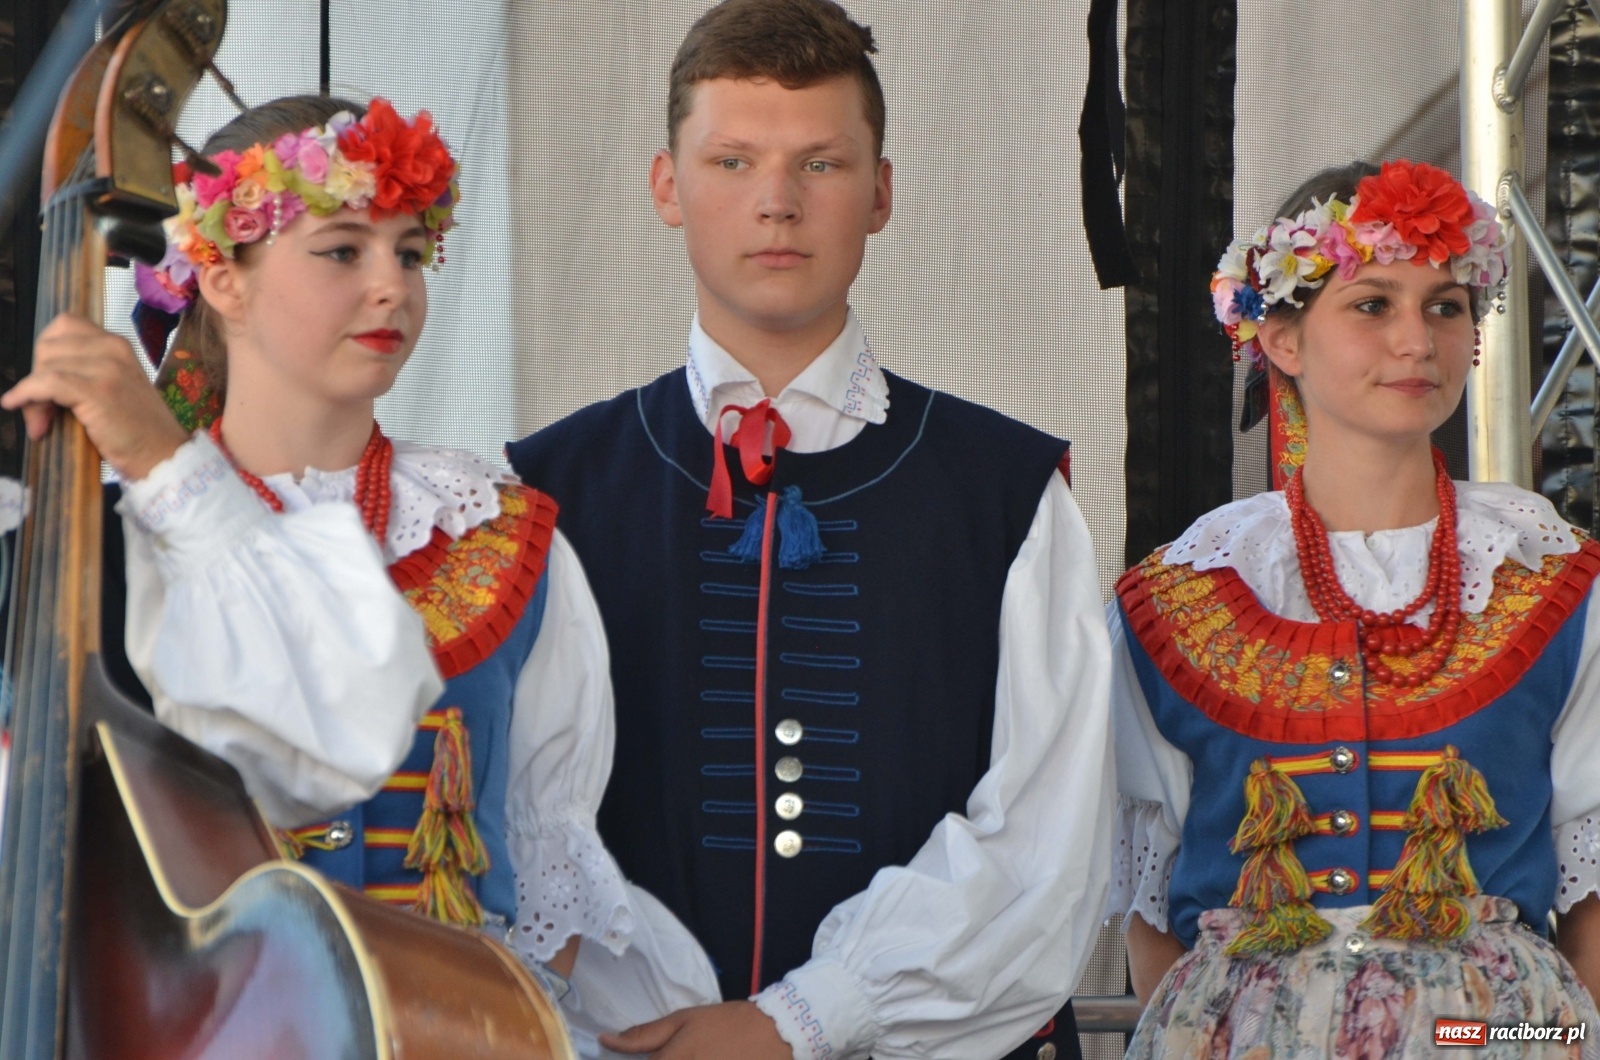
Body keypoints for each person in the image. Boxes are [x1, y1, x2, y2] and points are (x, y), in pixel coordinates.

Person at [507, 2, 1116, 1058]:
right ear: (667, 186)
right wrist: (655, 1014)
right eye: (732, 161)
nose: (776, 204)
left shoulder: (1005, 489)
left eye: (821, 165)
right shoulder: (545, 490)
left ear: (880, 193)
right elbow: (525, 822)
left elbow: (1046, 836)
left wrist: (801, 1019)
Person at [2, 94, 632, 994]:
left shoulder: (494, 533)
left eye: (409, 253)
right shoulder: (98, 547)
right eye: (343, 250)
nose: (392, 287)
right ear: (222, 277)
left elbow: (549, 865)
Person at [1110, 158, 1600, 1057]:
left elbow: (1593, 909)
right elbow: (1155, 917)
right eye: (1373, 304)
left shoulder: (1550, 579)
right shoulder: (1177, 600)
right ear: (1284, 341)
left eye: (1445, 305)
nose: (1416, 341)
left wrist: (1518, 1032)